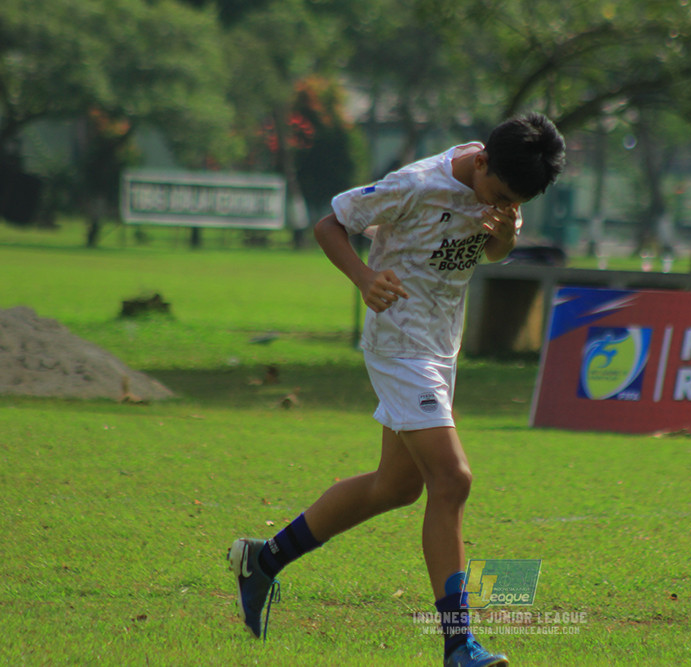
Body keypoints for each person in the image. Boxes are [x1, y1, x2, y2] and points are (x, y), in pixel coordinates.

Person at [227, 112, 566, 667]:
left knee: (396, 488)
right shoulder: (414, 186)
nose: (498, 204)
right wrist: (364, 278)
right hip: (399, 344)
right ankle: (459, 645)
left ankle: (263, 560)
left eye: (513, 202)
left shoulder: (505, 175)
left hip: (440, 348)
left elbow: (491, 251)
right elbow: (328, 224)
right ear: (480, 163)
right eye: (498, 195)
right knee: (453, 479)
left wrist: (504, 236)